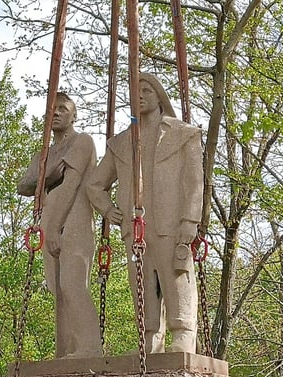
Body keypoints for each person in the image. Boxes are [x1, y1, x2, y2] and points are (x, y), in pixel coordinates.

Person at [86, 73, 204, 354]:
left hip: (171, 221)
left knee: (175, 275)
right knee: (141, 280)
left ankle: (183, 332)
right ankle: (150, 335)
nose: (139, 95)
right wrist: (109, 210)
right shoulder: (121, 143)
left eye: (147, 90)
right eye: (135, 91)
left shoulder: (183, 134)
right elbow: (94, 184)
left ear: (159, 95)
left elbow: (193, 182)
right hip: (135, 226)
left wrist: (190, 221)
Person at [17, 92, 102, 358]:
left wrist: (55, 228)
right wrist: (49, 174)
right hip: (48, 222)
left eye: (62, 109)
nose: (55, 113)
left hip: (73, 219)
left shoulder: (81, 142)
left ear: (74, 115)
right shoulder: (45, 153)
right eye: (50, 109)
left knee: (72, 283)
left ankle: (89, 347)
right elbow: (24, 185)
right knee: (57, 289)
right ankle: (66, 351)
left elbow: (71, 185)